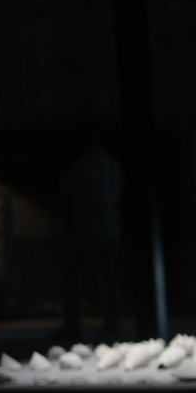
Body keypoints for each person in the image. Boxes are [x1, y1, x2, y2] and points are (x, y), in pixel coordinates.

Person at [57, 120, 123, 341]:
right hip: (111, 228)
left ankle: (72, 326)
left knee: (74, 277)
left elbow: (66, 187)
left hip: (88, 229)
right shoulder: (112, 165)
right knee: (109, 279)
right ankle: (112, 324)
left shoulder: (83, 165)